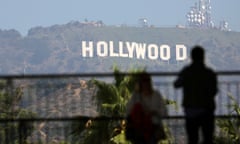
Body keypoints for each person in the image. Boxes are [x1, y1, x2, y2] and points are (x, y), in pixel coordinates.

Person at [174, 45, 218, 144]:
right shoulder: (209, 73)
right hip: (207, 110)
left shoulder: (187, 71)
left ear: (192, 57)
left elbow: (176, 84)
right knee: (208, 138)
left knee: (192, 139)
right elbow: (214, 91)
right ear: (203, 57)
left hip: (191, 110)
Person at [126, 72, 167, 144]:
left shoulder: (155, 95)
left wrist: (153, 113)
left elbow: (164, 112)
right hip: (140, 129)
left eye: (146, 81)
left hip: (151, 128)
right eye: (144, 81)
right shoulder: (136, 96)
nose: (145, 84)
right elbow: (128, 112)